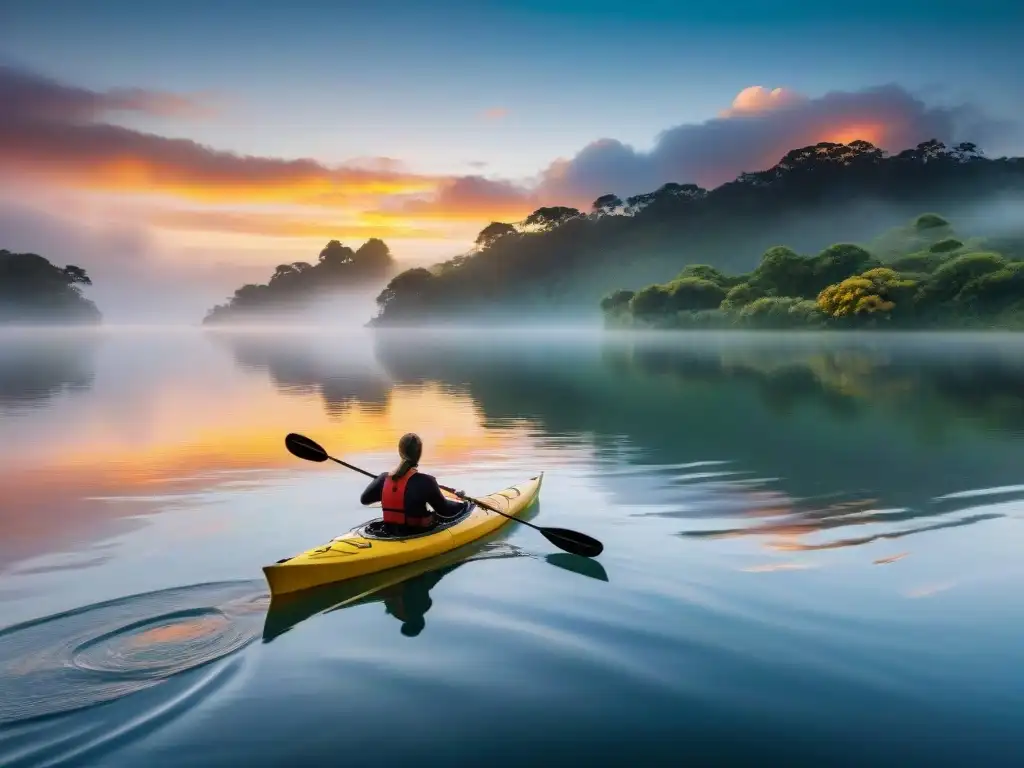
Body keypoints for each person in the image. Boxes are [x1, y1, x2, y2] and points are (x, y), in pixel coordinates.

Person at [360, 432, 468, 533]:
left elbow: (365, 500)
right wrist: (464, 504)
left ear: (400, 452)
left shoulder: (384, 478)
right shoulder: (427, 481)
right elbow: (445, 511)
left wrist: (379, 483)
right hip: (417, 532)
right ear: (419, 453)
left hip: (389, 531)